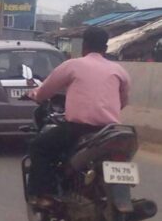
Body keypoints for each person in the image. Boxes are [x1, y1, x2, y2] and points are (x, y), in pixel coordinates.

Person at [27, 27, 131, 207]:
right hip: (110, 131)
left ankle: (43, 195)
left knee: (39, 147)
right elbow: (123, 101)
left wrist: (34, 95)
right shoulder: (119, 70)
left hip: (79, 129)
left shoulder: (73, 65)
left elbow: (46, 90)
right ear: (105, 48)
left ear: (84, 46)